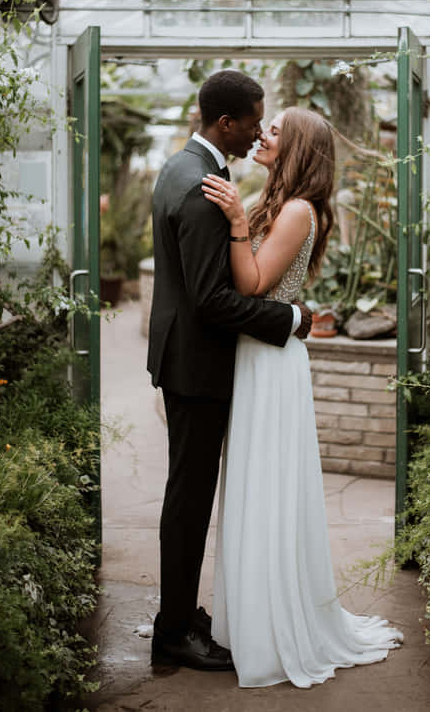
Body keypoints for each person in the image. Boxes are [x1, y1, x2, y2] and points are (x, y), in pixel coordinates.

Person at [201, 106, 403, 688]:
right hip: (260, 355)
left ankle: (272, 628)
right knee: (253, 486)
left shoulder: (295, 210)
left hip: (270, 361)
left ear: (298, 151)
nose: (261, 134)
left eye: (274, 132)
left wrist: (239, 221)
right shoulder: (281, 201)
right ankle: (248, 619)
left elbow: (254, 284)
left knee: (265, 489)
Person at [147, 71, 312, 672]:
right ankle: (174, 632)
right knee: (189, 501)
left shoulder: (178, 169)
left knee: (186, 496)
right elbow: (211, 300)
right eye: (252, 122)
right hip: (197, 367)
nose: (255, 132)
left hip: (183, 360)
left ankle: (182, 612)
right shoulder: (203, 187)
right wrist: (289, 317)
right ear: (226, 124)